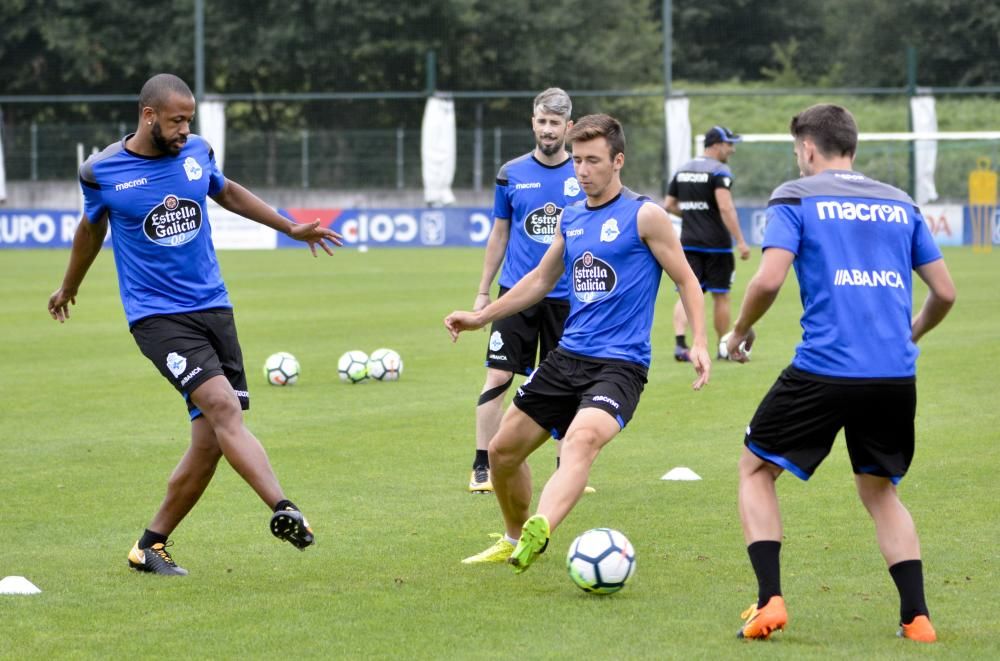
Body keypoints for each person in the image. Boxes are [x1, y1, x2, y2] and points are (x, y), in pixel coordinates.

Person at [47, 73, 343, 576]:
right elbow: (89, 230)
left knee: (210, 441)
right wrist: (70, 285)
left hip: (214, 308)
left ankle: (149, 546)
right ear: (149, 116)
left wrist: (289, 225)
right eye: (176, 120)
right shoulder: (101, 171)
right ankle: (282, 506)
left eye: (189, 120)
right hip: (157, 318)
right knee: (224, 407)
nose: (185, 129)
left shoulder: (197, 152)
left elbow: (226, 192)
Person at [724, 104, 955, 642]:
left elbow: (767, 280)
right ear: (851, 144)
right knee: (879, 490)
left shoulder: (796, 196)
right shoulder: (899, 201)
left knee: (755, 470)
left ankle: (769, 601)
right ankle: (917, 618)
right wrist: (911, 335)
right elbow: (944, 291)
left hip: (826, 368)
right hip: (895, 375)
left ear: (807, 148)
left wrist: (739, 332)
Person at [446, 114, 710, 569]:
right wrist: (480, 316)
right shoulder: (572, 217)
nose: (582, 170)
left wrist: (700, 341)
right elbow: (538, 281)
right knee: (502, 452)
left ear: (618, 161)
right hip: (567, 358)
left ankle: (541, 528)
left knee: (580, 440)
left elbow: (687, 279)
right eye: (579, 161)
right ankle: (515, 537)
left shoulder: (645, 215)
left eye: (593, 161)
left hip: (620, 366)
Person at [467, 87, 586, 494]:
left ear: (569, 127)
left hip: (567, 297)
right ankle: (482, 465)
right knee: (498, 374)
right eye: (542, 121)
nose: (548, 130)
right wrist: (484, 292)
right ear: (533, 122)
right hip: (515, 293)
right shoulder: (510, 173)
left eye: (556, 123)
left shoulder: (583, 173)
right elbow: (499, 233)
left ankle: (564, 468)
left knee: (569, 383)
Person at [663, 125, 750, 361]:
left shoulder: (683, 170)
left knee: (686, 292)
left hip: (688, 242)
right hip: (717, 245)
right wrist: (741, 241)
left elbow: (669, 204)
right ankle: (724, 348)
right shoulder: (720, 171)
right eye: (729, 144)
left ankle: (681, 345)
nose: (731, 149)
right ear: (716, 145)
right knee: (720, 296)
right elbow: (725, 206)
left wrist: (691, 215)